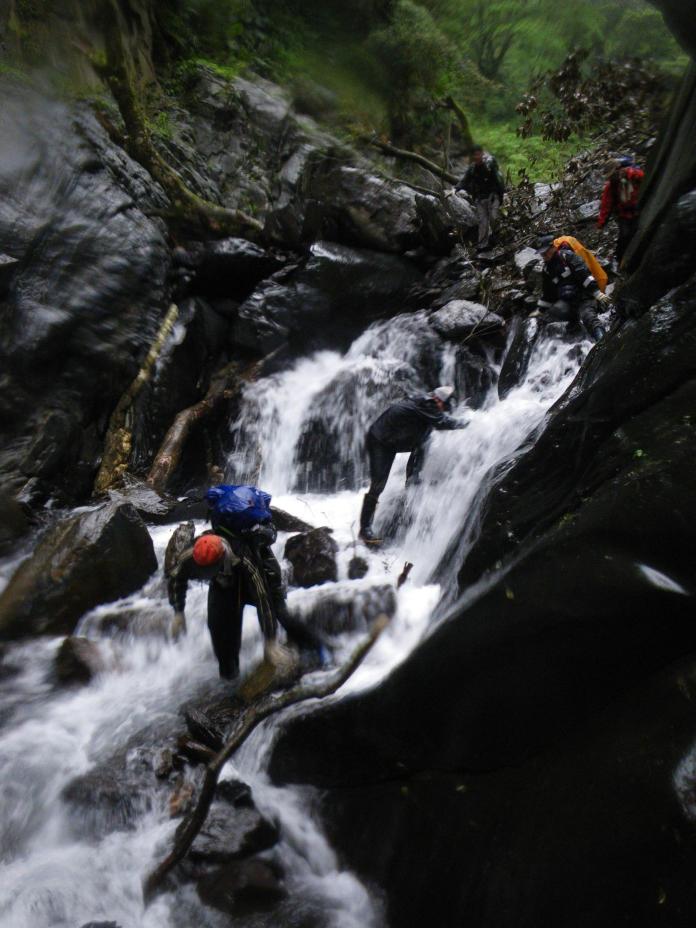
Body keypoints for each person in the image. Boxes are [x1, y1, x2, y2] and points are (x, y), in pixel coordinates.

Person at [167, 493, 325, 681]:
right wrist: (178, 612)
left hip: (264, 575)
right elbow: (176, 578)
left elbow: (262, 597)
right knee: (219, 629)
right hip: (225, 585)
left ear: (220, 558)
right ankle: (229, 676)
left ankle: (318, 650)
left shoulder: (244, 558)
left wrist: (270, 642)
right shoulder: (191, 555)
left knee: (280, 614)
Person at [359, 386, 467, 545]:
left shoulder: (428, 408)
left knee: (424, 441)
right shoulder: (427, 404)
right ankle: (365, 529)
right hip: (380, 441)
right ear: (438, 400)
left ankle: (412, 479)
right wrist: (468, 423)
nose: (443, 410)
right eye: (444, 406)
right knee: (378, 485)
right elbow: (443, 422)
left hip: (397, 440)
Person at [532, 234, 611, 342]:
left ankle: (604, 343)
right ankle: (574, 326)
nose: (544, 255)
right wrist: (540, 310)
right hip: (568, 302)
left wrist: (597, 293)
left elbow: (584, 275)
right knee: (552, 314)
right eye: (542, 253)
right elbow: (548, 293)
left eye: (546, 252)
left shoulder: (567, 256)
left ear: (553, 248)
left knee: (588, 317)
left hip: (584, 297)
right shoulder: (547, 269)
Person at [597, 155, 644, 269]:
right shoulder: (611, 186)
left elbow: (643, 177)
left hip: (637, 209)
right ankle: (619, 259)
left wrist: (629, 173)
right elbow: (606, 205)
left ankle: (633, 259)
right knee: (624, 236)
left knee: (635, 234)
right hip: (623, 214)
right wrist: (601, 223)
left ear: (617, 170)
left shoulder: (631, 174)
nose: (611, 178)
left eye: (612, 175)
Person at [456, 145, 505, 251]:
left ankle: (497, 238)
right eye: (475, 155)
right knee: (483, 222)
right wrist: (455, 189)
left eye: (478, 154)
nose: (477, 157)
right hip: (480, 199)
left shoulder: (489, 166)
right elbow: (465, 180)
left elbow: (499, 181)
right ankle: (482, 246)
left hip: (493, 196)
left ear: (482, 154)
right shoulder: (472, 169)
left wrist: (500, 197)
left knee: (493, 217)